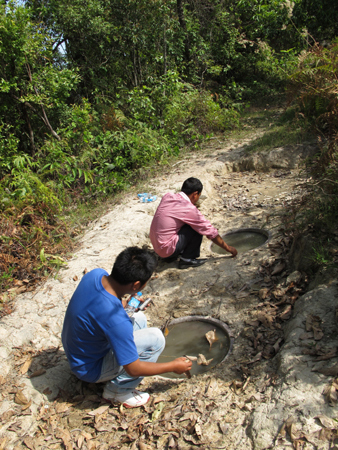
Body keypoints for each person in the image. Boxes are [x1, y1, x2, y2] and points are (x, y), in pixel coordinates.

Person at [61, 246, 192, 408]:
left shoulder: (95, 275)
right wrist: (173, 366)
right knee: (156, 339)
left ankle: (114, 378)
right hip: (89, 369)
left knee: (139, 318)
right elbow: (134, 369)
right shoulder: (116, 320)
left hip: (77, 352)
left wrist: (124, 304)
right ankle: (117, 391)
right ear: (136, 285)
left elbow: (99, 304)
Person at [150, 177, 237, 269]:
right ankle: (187, 260)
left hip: (157, 246)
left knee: (181, 224)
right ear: (195, 194)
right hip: (166, 249)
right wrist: (228, 248)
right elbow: (210, 231)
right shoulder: (187, 208)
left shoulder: (168, 196)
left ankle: (170, 257)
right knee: (196, 227)